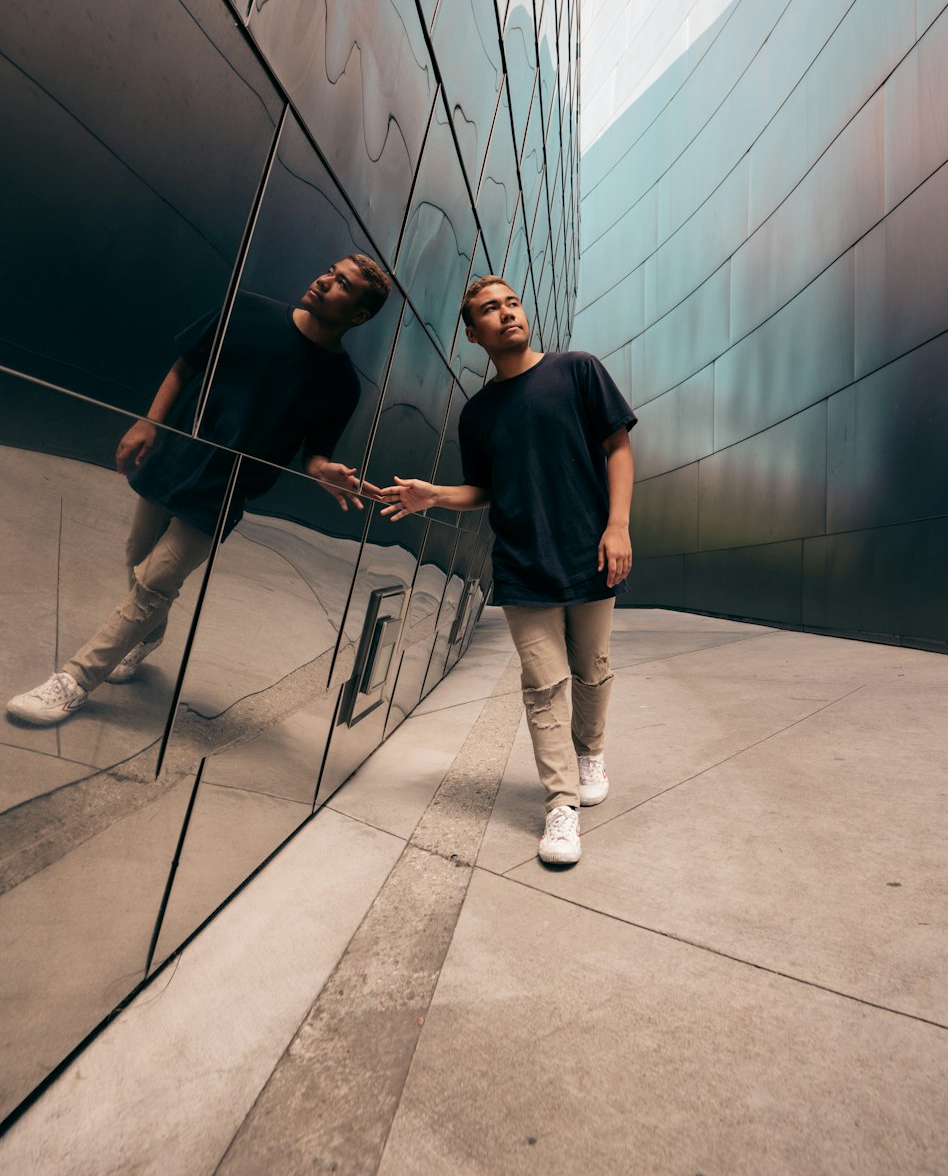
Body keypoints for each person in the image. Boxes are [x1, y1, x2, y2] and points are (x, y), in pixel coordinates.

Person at [7, 254, 391, 727]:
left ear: (359, 315)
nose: (324, 280)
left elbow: (315, 453)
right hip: (176, 458)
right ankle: (144, 637)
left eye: (342, 285)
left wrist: (323, 469)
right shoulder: (246, 311)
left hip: (225, 489)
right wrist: (149, 423)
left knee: (155, 583)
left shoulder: (341, 384)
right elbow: (184, 367)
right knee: (137, 556)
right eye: (330, 272)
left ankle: (73, 682)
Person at [380, 275, 635, 865]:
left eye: (511, 303)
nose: (506, 314)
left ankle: (590, 750)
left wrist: (617, 526)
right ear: (474, 333)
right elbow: (485, 491)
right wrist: (434, 495)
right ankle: (560, 807)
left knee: (592, 671)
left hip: (591, 550)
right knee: (544, 687)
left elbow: (618, 448)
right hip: (522, 562)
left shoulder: (578, 371)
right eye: (490, 310)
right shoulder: (479, 414)